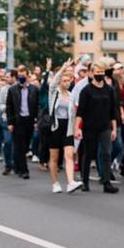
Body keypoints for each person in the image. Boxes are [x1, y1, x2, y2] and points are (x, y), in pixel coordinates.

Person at [75, 61, 119, 193]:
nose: (100, 74)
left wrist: (114, 129)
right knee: (88, 154)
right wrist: (77, 128)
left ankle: (106, 183)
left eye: (102, 72)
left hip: (105, 127)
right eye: (97, 72)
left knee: (106, 153)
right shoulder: (86, 91)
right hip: (89, 127)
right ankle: (85, 182)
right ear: (92, 73)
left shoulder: (109, 90)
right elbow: (80, 112)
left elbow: (113, 111)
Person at [46, 62, 81, 193]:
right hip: (55, 126)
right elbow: (53, 81)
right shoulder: (54, 92)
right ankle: (55, 183)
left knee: (69, 155)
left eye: (68, 80)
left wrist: (76, 129)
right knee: (54, 158)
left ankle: (70, 182)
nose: (67, 83)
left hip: (68, 127)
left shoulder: (72, 95)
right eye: (64, 80)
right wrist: (63, 68)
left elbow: (74, 114)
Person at [6, 65, 39, 180]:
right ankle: (24, 170)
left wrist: (36, 120)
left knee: (25, 146)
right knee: (20, 145)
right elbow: (9, 107)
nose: (21, 78)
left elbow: (37, 106)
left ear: (28, 76)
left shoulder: (34, 89)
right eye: (19, 76)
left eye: (23, 76)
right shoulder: (13, 89)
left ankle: (18, 166)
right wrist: (10, 122)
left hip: (29, 120)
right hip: (18, 120)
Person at [0, 69, 15, 175]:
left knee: (18, 143)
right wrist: (9, 108)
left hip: (19, 119)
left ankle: (17, 165)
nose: (6, 79)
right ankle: (8, 165)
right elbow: (0, 104)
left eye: (8, 77)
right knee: (8, 142)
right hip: (7, 119)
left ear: (14, 77)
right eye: (6, 77)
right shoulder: (4, 89)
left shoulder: (20, 88)